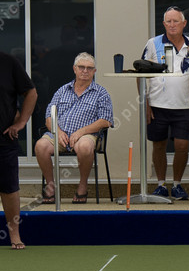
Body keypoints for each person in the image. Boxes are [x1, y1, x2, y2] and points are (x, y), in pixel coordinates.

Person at [35, 52, 113, 204]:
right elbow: (49, 116)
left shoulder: (101, 93)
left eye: (89, 68)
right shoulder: (62, 90)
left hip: (87, 135)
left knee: (84, 147)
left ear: (94, 71)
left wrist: (81, 132)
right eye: (81, 67)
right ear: (74, 69)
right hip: (60, 134)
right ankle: (50, 187)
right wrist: (58, 132)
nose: (85, 71)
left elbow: (106, 120)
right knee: (40, 146)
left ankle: (83, 186)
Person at [141, 6, 189, 200]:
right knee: (158, 145)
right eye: (168, 21)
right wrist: (145, 103)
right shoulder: (153, 43)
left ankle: (177, 185)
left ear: (184, 23)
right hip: (157, 105)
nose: (172, 25)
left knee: (182, 146)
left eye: (176, 21)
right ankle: (161, 185)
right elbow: (140, 74)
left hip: (183, 105)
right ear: (164, 24)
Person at [0, 52, 37, 250]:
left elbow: (31, 93)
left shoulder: (8, 62)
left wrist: (22, 122)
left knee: (9, 188)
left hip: (4, 137)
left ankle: (14, 234)